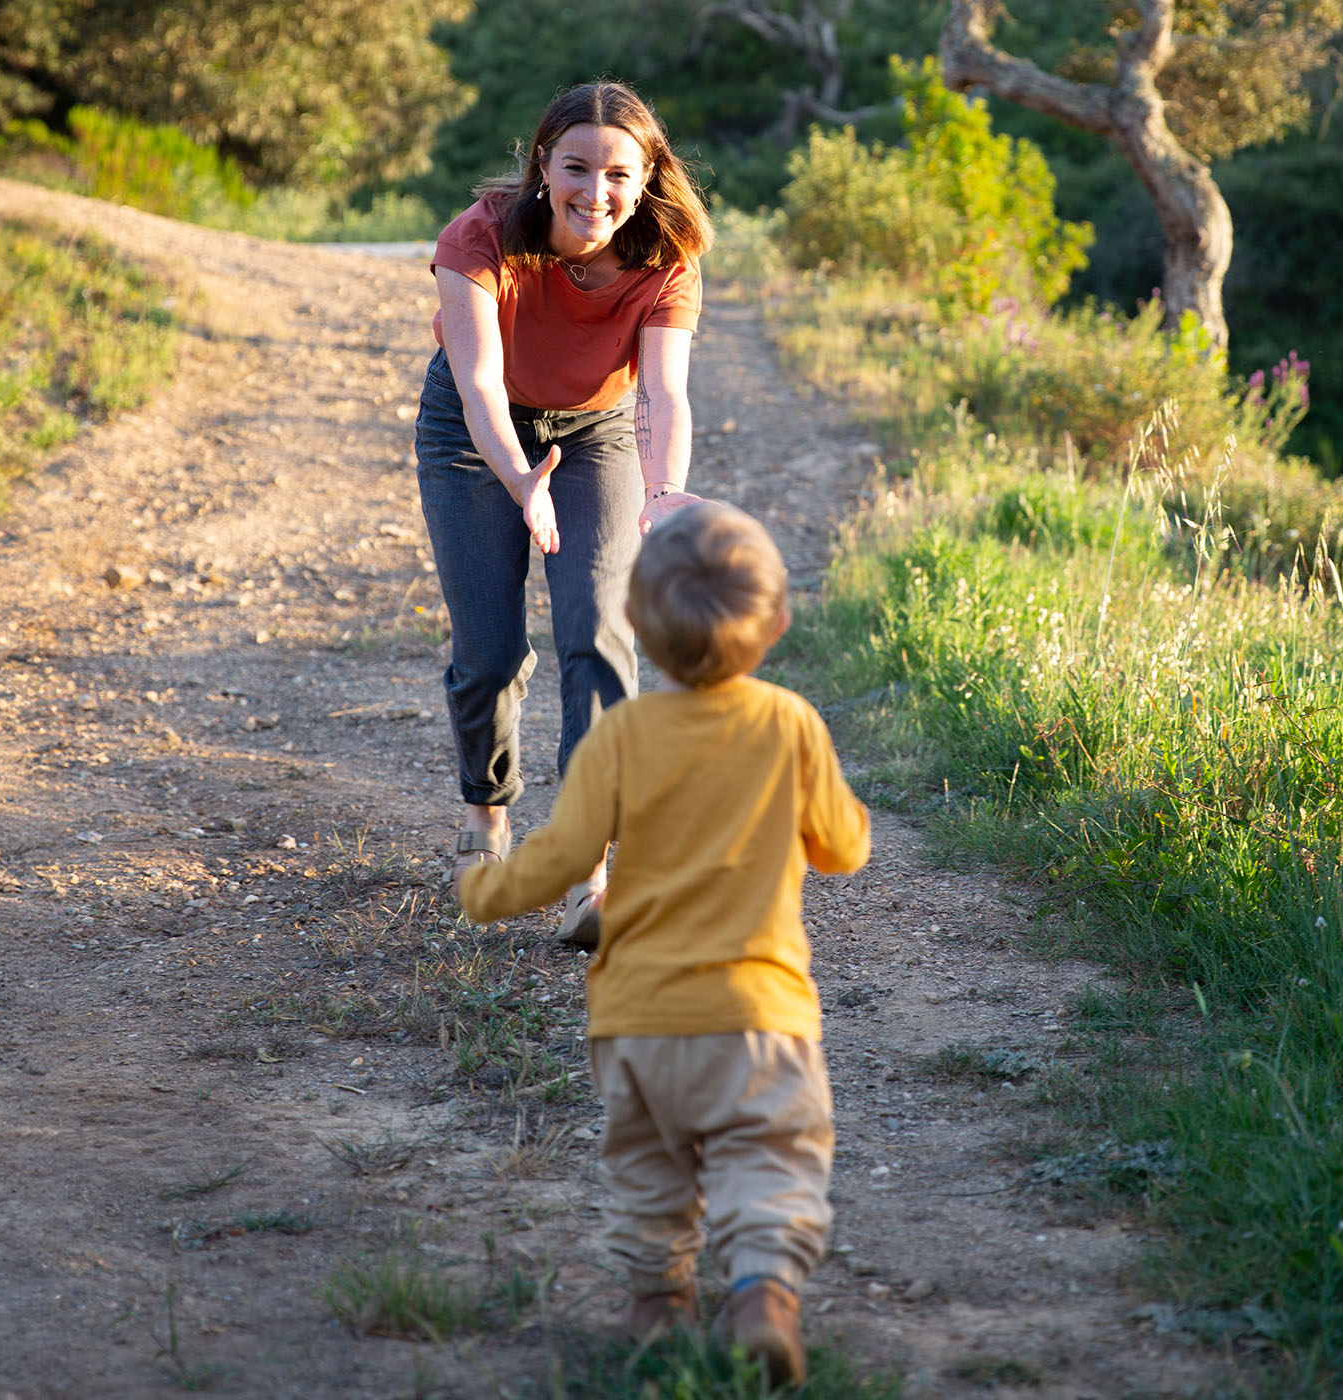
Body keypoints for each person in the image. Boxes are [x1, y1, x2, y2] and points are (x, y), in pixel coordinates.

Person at [454, 502, 871, 1385]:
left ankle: (656, 1305)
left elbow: (563, 857)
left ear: (635, 624)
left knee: (649, 1170)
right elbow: (844, 847)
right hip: (760, 1014)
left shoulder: (621, 738)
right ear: (780, 625)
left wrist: (486, 889)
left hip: (638, 1021)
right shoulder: (790, 725)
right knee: (770, 1158)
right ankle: (761, 1293)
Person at [415, 81, 714, 942]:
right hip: (475, 434)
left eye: (619, 173)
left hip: (597, 434)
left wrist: (661, 498)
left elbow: (663, 391)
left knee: (599, 632)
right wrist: (519, 479)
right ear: (543, 162)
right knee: (490, 650)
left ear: (647, 174)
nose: (596, 192)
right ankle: (486, 818)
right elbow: (474, 385)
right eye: (577, 167)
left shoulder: (665, 257)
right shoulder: (479, 237)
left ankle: (590, 871)